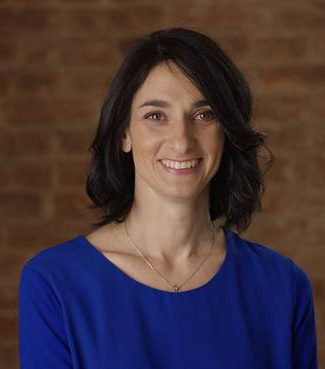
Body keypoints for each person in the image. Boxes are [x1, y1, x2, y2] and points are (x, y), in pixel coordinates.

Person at [18, 27, 319, 368]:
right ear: (123, 134)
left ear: (227, 133)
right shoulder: (55, 284)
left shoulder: (282, 285)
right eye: (155, 116)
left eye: (204, 115)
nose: (181, 140)